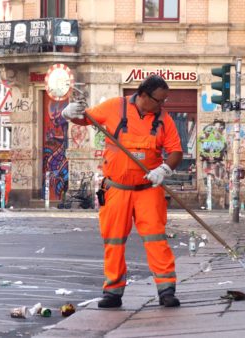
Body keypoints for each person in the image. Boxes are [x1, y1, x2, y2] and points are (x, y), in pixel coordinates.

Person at [62, 75, 183, 308]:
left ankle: (166, 290)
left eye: (164, 101)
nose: (162, 105)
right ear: (144, 95)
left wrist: (164, 168)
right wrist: (69, 113)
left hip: (148, 189)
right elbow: (86, 119)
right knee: (114, 239)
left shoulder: (164, 119)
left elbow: (175, 151)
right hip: (116, 188)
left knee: (156, 239)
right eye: (159, 100)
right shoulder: (114, 107)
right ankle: (113, 292)